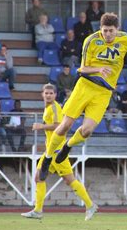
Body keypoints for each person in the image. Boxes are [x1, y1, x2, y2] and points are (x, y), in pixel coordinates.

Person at [38, 13, 127, 181]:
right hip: (85, 86)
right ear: (100, 29)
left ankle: (67, 147)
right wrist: (99, 69)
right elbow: (82, 69)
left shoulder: (125, 39)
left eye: (111, 31)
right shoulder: (91, 40)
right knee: (65, 126)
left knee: (87, 130)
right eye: (105, 31)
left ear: (117, 29)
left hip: (104, 92)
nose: (108, 34)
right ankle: (47, 158)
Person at [21, 83, 96, 220]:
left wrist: (41, 126)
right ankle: (38, 210)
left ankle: (90, 205)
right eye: (46, 93)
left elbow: (58, 126)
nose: (48, 95)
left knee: (69, 180)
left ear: (55, 95)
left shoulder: (55, 107)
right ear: (42, 94)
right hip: (50, 151)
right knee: (39, 177)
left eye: (51, 93)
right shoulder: (48, 108)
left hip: (57, 151)